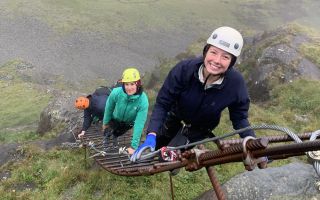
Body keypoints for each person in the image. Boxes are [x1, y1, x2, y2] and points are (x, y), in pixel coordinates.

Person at [131, 26, 257, 162]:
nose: (216, 61)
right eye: (213, 52)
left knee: (170, 161)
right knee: (152, 150)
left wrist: (254, 144)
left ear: (231, 62)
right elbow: (163, 103)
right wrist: (151, 135)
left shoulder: (235, 84)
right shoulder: (184, 70)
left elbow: (240, 118)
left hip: (199, 129)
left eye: (225, 57)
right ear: (206, 51)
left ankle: (174, 157)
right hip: (174, 118)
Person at [102, 67, 149, 155]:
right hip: (115, 118)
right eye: (126, 84)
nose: (129, 88)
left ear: (138, 84)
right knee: (108, 131)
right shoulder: (116, 92)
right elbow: (109, 108)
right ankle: (106, 140)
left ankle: (115, 138)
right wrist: (105, 123)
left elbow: (139, 124)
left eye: (132, 84)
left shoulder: (143, 101)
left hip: (128, 123)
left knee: (117, 133)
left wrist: (133, 146)